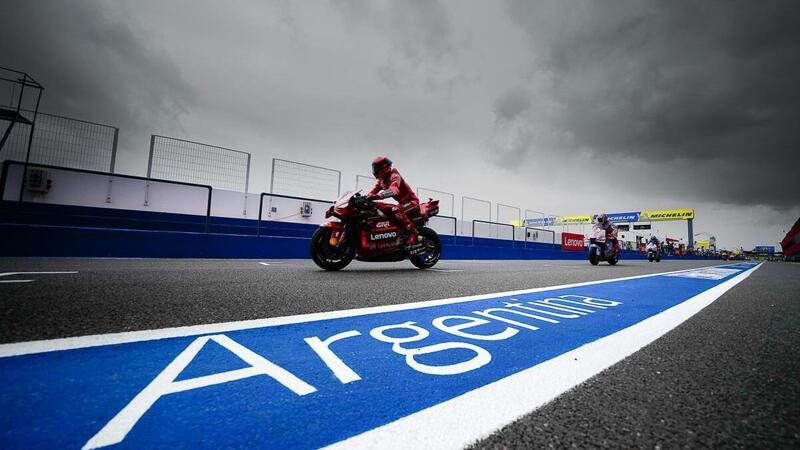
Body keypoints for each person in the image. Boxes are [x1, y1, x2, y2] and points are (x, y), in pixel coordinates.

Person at [367, 156, 420, 247]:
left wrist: (380, 195)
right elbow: (373, 191)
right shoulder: (381, 181)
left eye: (376, 168)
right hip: (402, 203)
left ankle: (412, 233)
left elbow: (394, 190)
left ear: (384, 167)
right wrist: (366, 198)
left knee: (394, 209)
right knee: (387, 213)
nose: (375, 171)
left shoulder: (394, 175)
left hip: (412, 202)